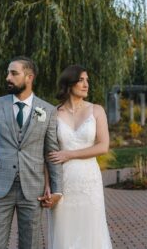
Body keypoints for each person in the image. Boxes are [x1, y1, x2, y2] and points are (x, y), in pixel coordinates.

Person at [0, 56, 63, 249]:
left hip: (33, 189)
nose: (8, 77)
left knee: (31, 245)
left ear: (29, 77)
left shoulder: (47, 110)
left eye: (14, 73)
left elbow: (51, 152)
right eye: (8, 72)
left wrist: (56, 189)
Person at [46, 65, 113, 249]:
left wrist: (69, 154)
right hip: (62, 181)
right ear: (69, 83)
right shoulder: (53, 114)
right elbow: (47, 154)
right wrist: (47, 186)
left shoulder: (96, 110)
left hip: (89, 181)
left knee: (91, 230)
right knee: (64, 232)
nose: (86, 84)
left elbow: (103, 146)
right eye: (81, 80)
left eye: (87, 80)